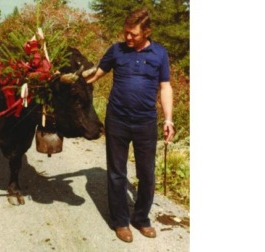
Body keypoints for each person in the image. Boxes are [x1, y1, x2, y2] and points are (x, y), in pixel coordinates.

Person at [85, 8, 175, 243]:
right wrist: (75, 80)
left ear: (147, 31)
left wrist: (168, 119)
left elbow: (165, 87)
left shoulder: (159, 54)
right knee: (117, 173)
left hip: (146, 122)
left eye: (133, 34)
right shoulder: (117, 50)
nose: (128, 37)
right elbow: (97, 73)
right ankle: (120, 221)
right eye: (126, 32)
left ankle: (141, 219)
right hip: (117, 120)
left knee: (146, 174)